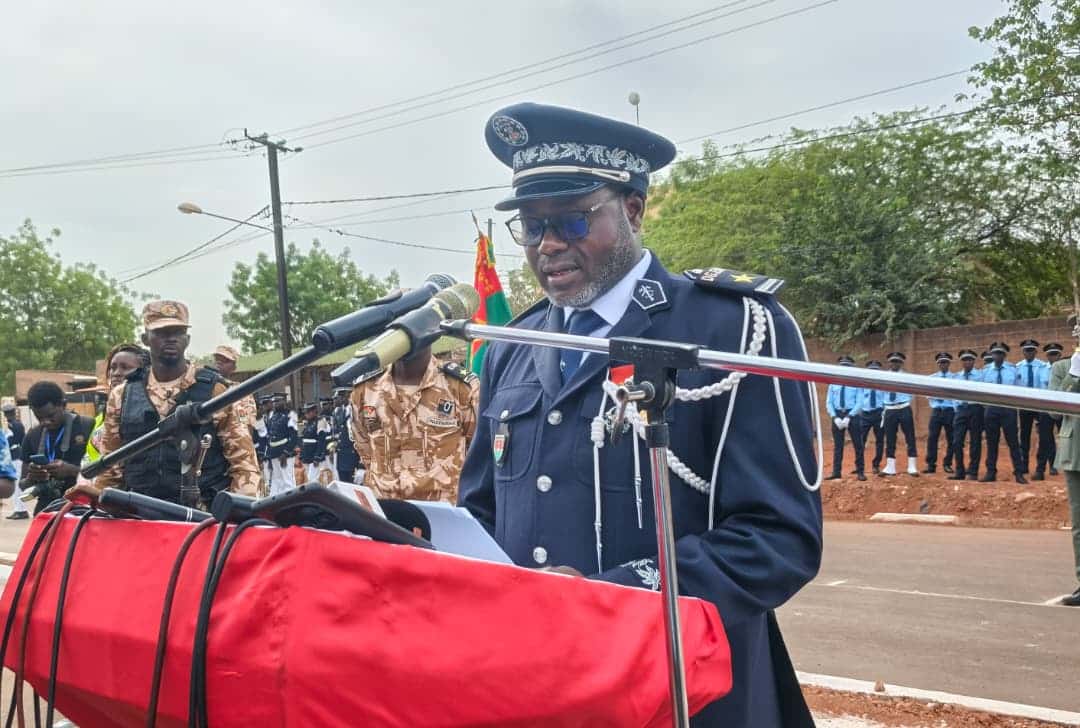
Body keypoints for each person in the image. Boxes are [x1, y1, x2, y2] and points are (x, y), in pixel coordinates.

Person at [458, 102, 822, 727]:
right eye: (531, 226)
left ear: (631, 209)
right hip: (540, 685)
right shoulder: (515, 348)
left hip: (683, 689)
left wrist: (617, 593)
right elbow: (483, 512)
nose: (548, 245)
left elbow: (779, 537)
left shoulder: (732, 328)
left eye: (572, 220)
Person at [96, 300, 260, 506]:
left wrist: (236, 515)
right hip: (138, 515)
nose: (171, 339)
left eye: (178, 332)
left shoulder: (216, 391)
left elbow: (244, 464)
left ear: (187, 339)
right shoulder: (122, 395)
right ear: (146, 339)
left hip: (202, 516)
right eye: (162, 333)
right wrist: (101, 507)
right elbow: (110, 467)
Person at [351, 346, 479, 503]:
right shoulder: (366, 389)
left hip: (441, 512)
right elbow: (364, 447)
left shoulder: (461, 387)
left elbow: (477, 451)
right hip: (384, 512)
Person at [18, 382, 95, 514]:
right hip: (46, 510)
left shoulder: (88, 427)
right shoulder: (32, 436)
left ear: (63, 404)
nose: (45, 422)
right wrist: (32, 478)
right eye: (39, 417)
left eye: (50, 416)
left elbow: (105, 476)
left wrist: (72, 471)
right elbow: (23, 484)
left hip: (82, 509)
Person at [1048, 321, 1080, 606]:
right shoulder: (1061, 368)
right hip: (1074, 452)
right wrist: (1075, 374)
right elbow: (1054, 411)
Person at [979, 341, 1027, 485]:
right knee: (991, 442)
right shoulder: (985, 371)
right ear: (991, 355)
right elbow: (981, 391)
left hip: (1008, 409)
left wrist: (1013, 405)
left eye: (1000, 353)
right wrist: (987, 406)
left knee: (1013, 442)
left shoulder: (1013, 369)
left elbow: (1019, 389)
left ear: (1004, 355)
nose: (997, 356)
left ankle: (1019, 473)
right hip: (992, 409)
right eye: (995, 353)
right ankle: (991, 472)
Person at [1015, 339, 1050, 479]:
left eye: (1031, 350)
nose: (1029, 353)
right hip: (1025, 404)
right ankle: (1024, 465)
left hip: (1040, 404)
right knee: (1024, 435)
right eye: (1026, 350)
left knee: (1044, 436)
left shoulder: (1043, 367)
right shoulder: (1017, 367)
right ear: (1023, 352)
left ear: (1036, 351)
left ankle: (1040, 468)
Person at [825, 356, 864, 481]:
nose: (844, 369)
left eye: (847, 366)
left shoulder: (856, 383)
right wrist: (834, 416)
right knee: (838, 445)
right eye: (842, 366)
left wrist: (849, 416)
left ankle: (860, 471)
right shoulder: (833, 383)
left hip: (852, 415)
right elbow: (829, 402)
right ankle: (836, 472)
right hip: (837, 415)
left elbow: (860, 402)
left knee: (858, 444)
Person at [880, 352, 918, 477]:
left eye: (897, 362)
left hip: (903, 408)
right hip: (890, 410)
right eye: (892, 361)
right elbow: (880, 393)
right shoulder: (883, 377)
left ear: (901, 363)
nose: (894, 364)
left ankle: (912, 465)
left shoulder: (906, 377)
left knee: (910, 437)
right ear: (889, 363)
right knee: (890, 438)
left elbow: (912, 393)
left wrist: (904, 402)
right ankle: (890, 466)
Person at [949, 349, 984, 482]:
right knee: (957, 441)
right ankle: (959, 470)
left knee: (975, 441)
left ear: (973, 361)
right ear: (961, 362)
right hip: (961, 410)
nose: (967, 362)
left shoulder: (980, 376)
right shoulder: (956, 376)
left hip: (975, 408)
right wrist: (956, 407)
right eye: (964, 360)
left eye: (970, 359)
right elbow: (953, 394)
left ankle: (973, 471)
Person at [924, 352, 956, 474]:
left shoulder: (955, 378)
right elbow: (927, 394)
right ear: (938, 364)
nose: (943, 364)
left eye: (945, 362)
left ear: (949, 364)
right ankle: (931, 465)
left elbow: (956, 396)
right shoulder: (931, 378)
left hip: (950, 411)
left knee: (952, 438)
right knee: (932, 438)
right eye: (941, 362)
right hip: (937, 411)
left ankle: (948, 463)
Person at [857, 360, 886, 475]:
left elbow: (886, 398)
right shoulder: (863, 384)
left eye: (875, 370)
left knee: (879, 440)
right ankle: (859, 466)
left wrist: (884, 411)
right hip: (865, 414)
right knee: (860, 440)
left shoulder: (883, 384)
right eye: (871, 370)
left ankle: (876, 465)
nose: (873, 372)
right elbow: (859, 398)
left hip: (879, 414)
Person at [266, 392, 298, 495]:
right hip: (274, 454)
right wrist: (269, 457)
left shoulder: (291, 414)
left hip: (285, 454)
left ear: (284, 401)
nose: (275, 404)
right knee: (277, 481)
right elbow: (269, 437)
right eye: (274, 401)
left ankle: (292, 504)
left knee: (288, 481)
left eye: (278, 401)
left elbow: (294, 437)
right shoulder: (272, 417)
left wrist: (286, 453)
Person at [331, 387, 361, 483]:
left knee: (352, 481)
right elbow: (336, 432)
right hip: (341, 452)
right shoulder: (338, 412)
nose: (336, 400)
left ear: (346, 397)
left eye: (339, 397)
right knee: (343, 481)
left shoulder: (355, 410)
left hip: (351, 452)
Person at [1043, 342, 1064, 476]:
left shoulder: (1065, 368)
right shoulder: (1041, 369)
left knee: (1064, 436)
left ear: (1059, 355)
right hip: (1045, 406)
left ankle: (1065, 464)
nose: (1053, 357)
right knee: (1047, 437)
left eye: (1055, 354)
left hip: (1062, 407)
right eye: (1050, 354)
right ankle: (1052, 465)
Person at [3, 402, 28, 518]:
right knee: (17, 484)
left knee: (17, 485)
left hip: (13, 457)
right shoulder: (19, 424)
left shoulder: (9, 426)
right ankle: (20, 509)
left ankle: (21, 510)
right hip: (18, 455)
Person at [298, 402, 329, 483]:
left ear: (314, 411)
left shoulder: (320, 421)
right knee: (308, 480)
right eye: (305, 412)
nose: (306, 414)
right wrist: (301, 454)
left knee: (314, 480)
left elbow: (321, 441)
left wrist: (317, 457)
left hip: (315, 457)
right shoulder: (307, 423)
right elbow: (304, 440)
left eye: (308, 412)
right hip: (307, 456)